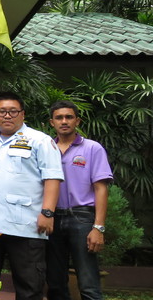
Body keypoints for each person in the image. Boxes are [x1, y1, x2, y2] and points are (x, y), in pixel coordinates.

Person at [0, 92, 63, 300]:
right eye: (2, 111)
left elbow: (52, 178)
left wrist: (47, 212)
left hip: (26, 226)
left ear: (22, 114)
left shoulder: (40, 141)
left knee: (29, 287)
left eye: (12, 111)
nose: (7, 116)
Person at [46, 100, 113, 300]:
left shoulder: (93, 148)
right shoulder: (46, 149)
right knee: (55, 283)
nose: (64, 121)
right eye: (59, 117)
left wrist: (98, 227)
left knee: (88, 283)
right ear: (52, 122)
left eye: (69, 117)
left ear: (77, 121)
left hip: (82, 218)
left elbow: (101, 189)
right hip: (52, 219)